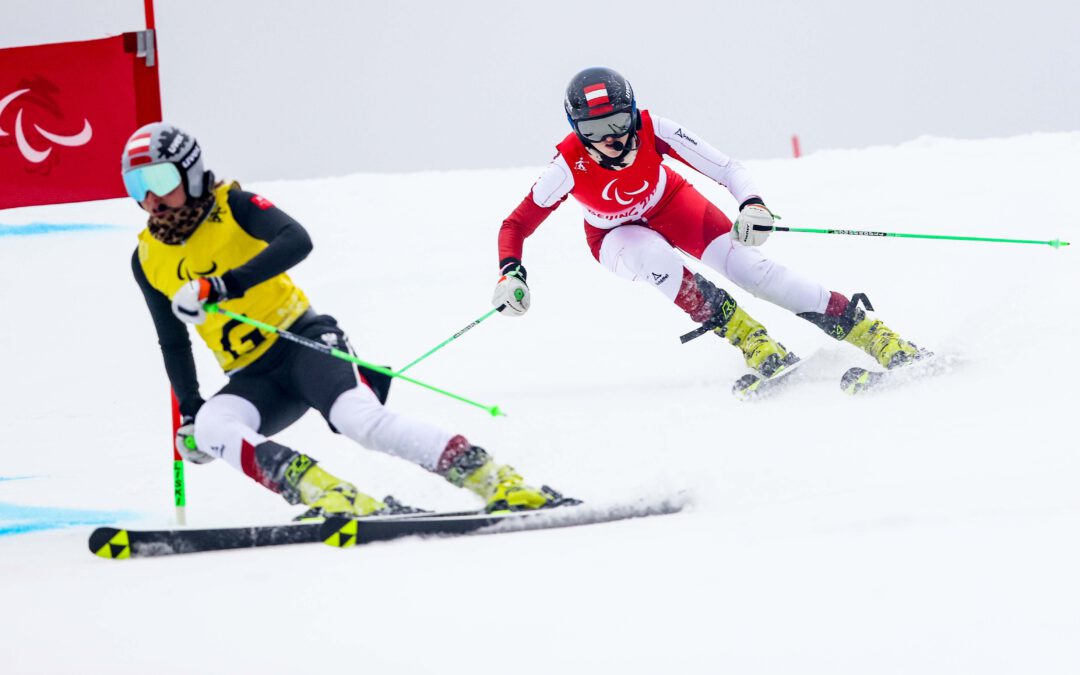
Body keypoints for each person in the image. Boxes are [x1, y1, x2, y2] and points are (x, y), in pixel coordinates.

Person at [124, 122, 563, 518]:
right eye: (136, 184)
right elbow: (173, 341)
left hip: (304, 343)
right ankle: (325, 493)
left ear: (191, 172)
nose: (151, 198)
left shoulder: (233, 205)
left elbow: (297, 240)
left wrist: (223, 285)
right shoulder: (146, 258)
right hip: (251, 375)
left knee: (360, 421)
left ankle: (493, 478)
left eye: (160, 179)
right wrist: (190, 410)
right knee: (213, 426)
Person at [492, 67, 924, 390]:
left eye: (619, 123)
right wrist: (511, 273)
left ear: (632, 113)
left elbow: (727, 168)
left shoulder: (653, 127)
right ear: (576, 130)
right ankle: (753, 342)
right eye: (594, 129)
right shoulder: (567, 164)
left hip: (672, 204)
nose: (611, 138)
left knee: (753, 271)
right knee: (656, 259)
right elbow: (516, 225)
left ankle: (877, 336)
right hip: (613, 236)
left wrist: (752, 204)